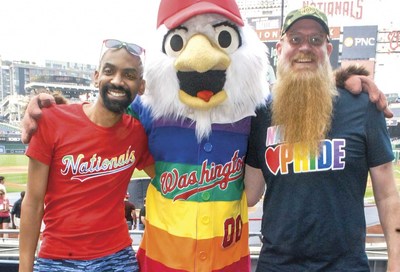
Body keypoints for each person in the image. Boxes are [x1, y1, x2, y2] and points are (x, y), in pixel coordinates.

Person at [244, 6, 400, 271]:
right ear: (280, 48)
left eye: (315, 40)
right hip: (277, 265)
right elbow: (250, 194)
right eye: (295, 39)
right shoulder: (262, 113)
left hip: (344, 265)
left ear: (328, 50)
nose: (305, 47)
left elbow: (387, 195)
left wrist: (396, 263)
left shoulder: (362, 106)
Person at [19, 39, 155, 272]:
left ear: (141, 87)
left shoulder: (137, 133)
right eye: (109, 71)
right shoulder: (51, 121)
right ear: (96, 76)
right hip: (57, 259)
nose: (117, 81)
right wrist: (24, 268)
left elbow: (168, 179)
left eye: (129, 75)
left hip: (117, 258)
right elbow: (32, 202)